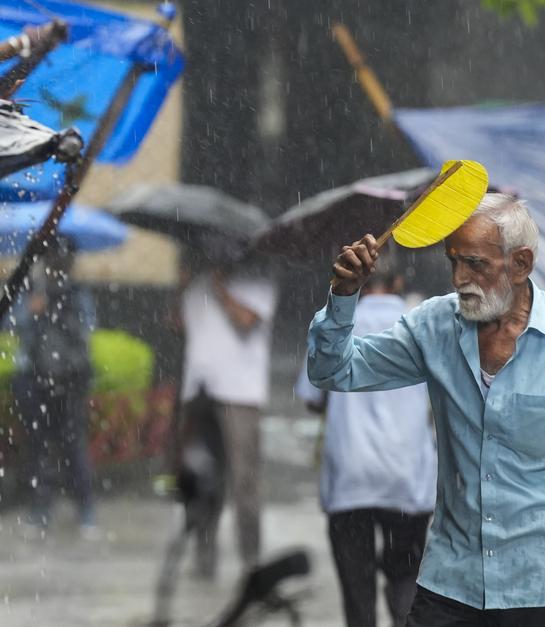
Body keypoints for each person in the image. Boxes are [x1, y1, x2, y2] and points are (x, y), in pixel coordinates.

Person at [307, 193, 545, 626]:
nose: (459, 278)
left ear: (521, 264)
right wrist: (342, 296)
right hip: (450, 583)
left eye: (475, 264)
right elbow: (332, 371)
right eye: (453, 261)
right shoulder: (434, 326)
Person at [294, 260, 437, 627]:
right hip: (406, 476)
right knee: (406, 579)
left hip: (350, 475)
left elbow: (312, 394)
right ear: (400, 280)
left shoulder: (334, 324)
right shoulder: (421, 324)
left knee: (357, 594)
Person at [179, 264, 277, 578]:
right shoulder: (197, 282)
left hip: (240, 395)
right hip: (200, 392)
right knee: (203, 475)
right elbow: (179, 324)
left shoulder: (260, 280)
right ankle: (204, 557)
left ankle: (251, 561)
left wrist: (221, 289)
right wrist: (183, 287)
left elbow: (246, 320)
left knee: (244, 481)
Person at [13, 239, 98, 536]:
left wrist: (62, 312)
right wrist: (32, 309)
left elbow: (87, 331)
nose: (58, 265)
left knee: (73, 444)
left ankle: (85, 509)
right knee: (38, 444)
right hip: (35, 376)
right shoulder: (32, 289)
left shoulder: (76, 293)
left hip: (69, 379)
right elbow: (14, 324)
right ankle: (41, 509)